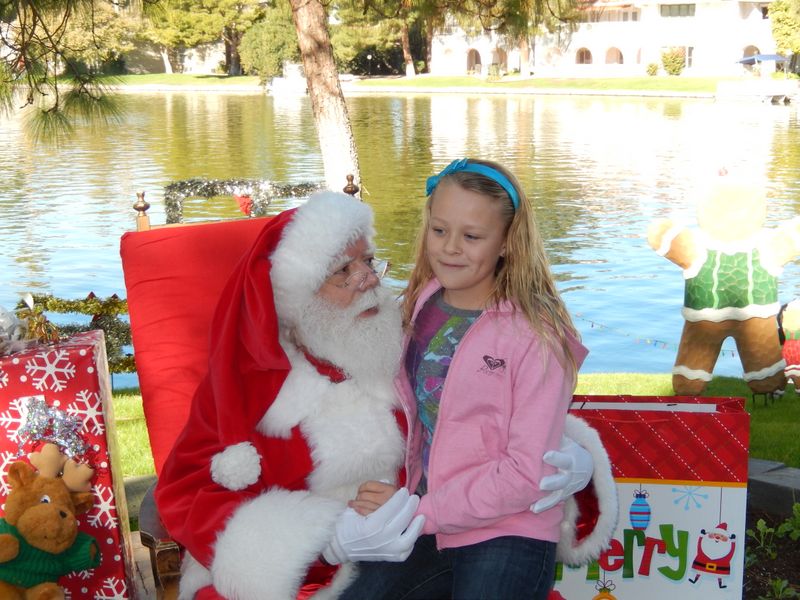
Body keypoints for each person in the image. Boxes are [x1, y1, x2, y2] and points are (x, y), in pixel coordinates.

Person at [154, 190, 608, 600]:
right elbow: (185, 493)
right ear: (295, 303)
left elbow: (472, 409)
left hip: (438, 528)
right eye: (343, 272)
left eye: (369, 262)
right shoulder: (252, 388)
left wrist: (561, 451)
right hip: (319, 571)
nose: (368, 280)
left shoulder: (396, 339)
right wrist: (326, 539)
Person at [339, 159, 618, 600]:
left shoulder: (537, 337)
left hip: (508, 529)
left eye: (471, 236)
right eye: (439, 230)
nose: (450, 248)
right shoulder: (421, 303)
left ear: (507, 243)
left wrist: (418, 513)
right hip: (428, 516)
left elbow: (527, 472)